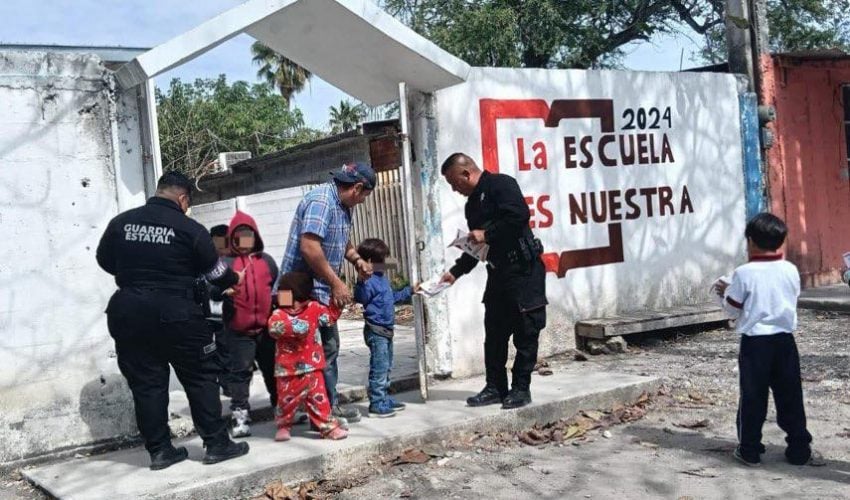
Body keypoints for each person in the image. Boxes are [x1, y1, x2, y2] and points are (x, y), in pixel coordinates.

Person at [96, 171, 249, 470]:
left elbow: (104, 260)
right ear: (182, 198)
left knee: (147, 384)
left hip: (128, 311)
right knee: (201, 377)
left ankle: (160, 452)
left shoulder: (121, 223)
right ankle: (217, 445)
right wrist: (235, 278)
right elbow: (216, 273)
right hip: (178, 313)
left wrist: (136, 275)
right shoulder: (189, 229)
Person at [438, 153, 547, 410]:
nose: (454, 189)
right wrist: (455, 272)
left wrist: (487, 233)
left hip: (523, 271)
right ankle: (495, 387)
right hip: (498, 274)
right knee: (495, 334)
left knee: (526, 332)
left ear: (466, 173)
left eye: (455, 183)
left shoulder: (501, 184)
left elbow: (519, 216)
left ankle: (521, 388)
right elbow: (478, 247)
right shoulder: (472, 206)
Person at [715, 212, 825, 467]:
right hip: (785, 340)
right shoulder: (790, 269)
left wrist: (724, 292)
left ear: (751, 241)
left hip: (755, 343)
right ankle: (799, 448)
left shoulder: (744, 273)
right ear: (781, 241)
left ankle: (749, 449)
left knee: (753, 396)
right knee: (790, 395)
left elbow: (733, 309)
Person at [279, 162, 377, 424]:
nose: (363, 202)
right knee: (308, 353)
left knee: (328, 348)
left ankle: (325, 406)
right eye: (365, 196)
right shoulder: (322, 201)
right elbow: (310, 247)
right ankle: (316, 413)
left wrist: (357, 260)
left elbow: (340, 238)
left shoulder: (342, 205)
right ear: (357, 188)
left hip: (318, 292)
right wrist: (336, 283)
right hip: (299, 293)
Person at [267, 272, 348, 441]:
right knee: (286, 402)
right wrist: (293, 328)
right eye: (286, 297)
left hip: (313, 368)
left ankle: (328, 428)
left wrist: (338, 304)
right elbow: (273, 328)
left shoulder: (313, 308)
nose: (293, 305)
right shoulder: (279, 313)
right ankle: (283, 426)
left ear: (303, 297)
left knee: (320, 400)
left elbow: (328, 318)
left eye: (296, 299)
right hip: (287, 370)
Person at [219, 211, 279, 437]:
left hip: (266, 329)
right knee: (240, 374)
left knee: (273, 371)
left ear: (255, 237)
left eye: (248, 237)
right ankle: (240, 417)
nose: (244, 242)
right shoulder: (226, 264)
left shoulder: (267, 261)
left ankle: (282, 409)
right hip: (238, 331)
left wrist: (286, 310)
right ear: (232, 239)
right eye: (239, 237)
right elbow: (212, 290)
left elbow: (277, 289)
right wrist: (225, 291)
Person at [353, 239, 414, 418]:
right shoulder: (368, 281)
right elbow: (360, 297)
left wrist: (410, 290)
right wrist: (361, 281)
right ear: (369, 261)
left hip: (387, 330)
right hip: (376, 330)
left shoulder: (382, 278)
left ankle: (384, 397)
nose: (386, 263)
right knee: (379, 367)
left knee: (386, 366)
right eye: (382, 260)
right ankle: (377, 403)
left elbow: (391, 297)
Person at [206, 224, 230, 396]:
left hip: (225, 316)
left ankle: (228, 386)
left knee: (226, 351)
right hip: (208, 316)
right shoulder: (205, 261)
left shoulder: (232, 261)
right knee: (213, 352)